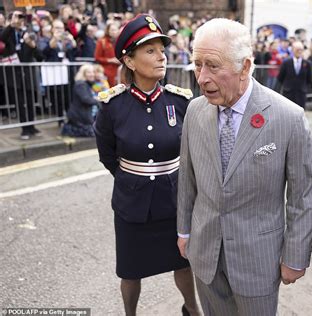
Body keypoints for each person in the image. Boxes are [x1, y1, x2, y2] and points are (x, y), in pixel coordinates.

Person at [177, 18, 312, 315]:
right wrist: (185, 230)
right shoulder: (194, 110)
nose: (201, 77)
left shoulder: (287, 117)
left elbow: (303, 193)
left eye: (213, 66)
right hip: (205, 254)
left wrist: (295, 255)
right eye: (197, 64)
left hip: (258, 260)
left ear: (244, 66)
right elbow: (187, 179)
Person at [93, 14, 200, 316]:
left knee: (183, 262)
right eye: (150, 51)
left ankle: (192, 308)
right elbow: (108, 154)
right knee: (130, 270)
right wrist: (133, 179)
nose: (161, 57)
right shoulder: (113, 106)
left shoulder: (180, 101)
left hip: (174, 199)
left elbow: (190, 151)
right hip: (132, 201)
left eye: (162, 50)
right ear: (129, 60)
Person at [0, 10, 44, 139]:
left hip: (27, 73)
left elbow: (40, 57)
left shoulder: (27, 33)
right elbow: (1, 39)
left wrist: (32, 45)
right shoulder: (7, 32)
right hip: (14, 75)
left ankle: (32, 126)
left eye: (21, 17)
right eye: (17, 17)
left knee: (30, 101)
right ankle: (25, 128)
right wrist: (12, 25)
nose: (20, 20)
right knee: (20, 103)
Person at [61, 64, 97, 137]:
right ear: (83, 74)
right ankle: (68, 129)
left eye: (93, 72)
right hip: (79, 116)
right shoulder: (81, 84)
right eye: (89, 72)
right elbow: (86, 99)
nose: (92, 74)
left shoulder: (87, 84)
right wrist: (99, 100)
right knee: (94, 133)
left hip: (84, 115)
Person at [277, 41, 312, 108]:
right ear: (293, 50)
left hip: (301, 93)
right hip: (288, 93)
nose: (299, 51)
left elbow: (309, 79)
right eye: (297, 49)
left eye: (301, 49)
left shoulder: (307, 64)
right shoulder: (286, 62)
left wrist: (303, 87)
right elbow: (280, 77)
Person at [94, 22, 120, 86]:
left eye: (115, 30)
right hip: (106, 72)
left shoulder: (120, 41)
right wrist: (110, 60)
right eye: (112, 30)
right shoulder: (102, 41)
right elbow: (97, 57)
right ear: (108, 31)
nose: (114, 32)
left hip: (119, 71)